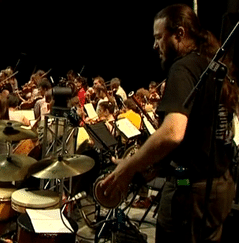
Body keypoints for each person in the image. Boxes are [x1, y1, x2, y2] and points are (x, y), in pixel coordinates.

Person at [100, 4, 239, 243]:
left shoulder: (183, 68)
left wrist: (128, 167)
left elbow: (173, 132)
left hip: (190, 191)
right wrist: (154, 165)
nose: (155, 45)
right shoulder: (210, 64)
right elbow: (201, 134)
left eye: (158, 37)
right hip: (219, 186)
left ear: (180, 34)